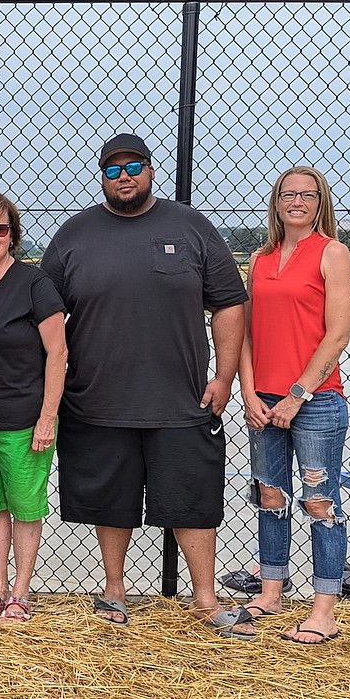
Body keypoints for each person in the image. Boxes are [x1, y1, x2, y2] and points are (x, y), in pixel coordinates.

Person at [40, 133, 256, 638]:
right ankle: (113, 590)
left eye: (132, 166)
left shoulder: (191, 226)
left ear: (150, 169)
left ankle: (205, 598)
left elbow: (229, 301)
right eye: (112, 170)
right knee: (111, 500)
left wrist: (224, 377)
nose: (124, 177)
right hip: (98, 398)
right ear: (102, 177)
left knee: (192, 499)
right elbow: (45, 309)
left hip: (181, 399)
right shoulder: (75, 233)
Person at [238, 166, 350, 644]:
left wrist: (298, 393)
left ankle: (324, 610)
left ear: (320, 201)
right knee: (270, 496)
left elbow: (338, 333)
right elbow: (243, 332)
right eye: (289, 194)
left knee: (319, 501)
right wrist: (248, 391)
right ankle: (270, 592)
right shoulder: (260, 258)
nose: (297, 201)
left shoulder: (332, 252)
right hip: (264, 399)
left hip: (315, 400)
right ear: (277, 201)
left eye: (307, 195)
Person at [0, 191, 66, 623]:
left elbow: (57, 355)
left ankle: (22, 592)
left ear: (13, 237)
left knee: (25, 506)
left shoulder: (34, 284)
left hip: (22, 419)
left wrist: (47, 417)